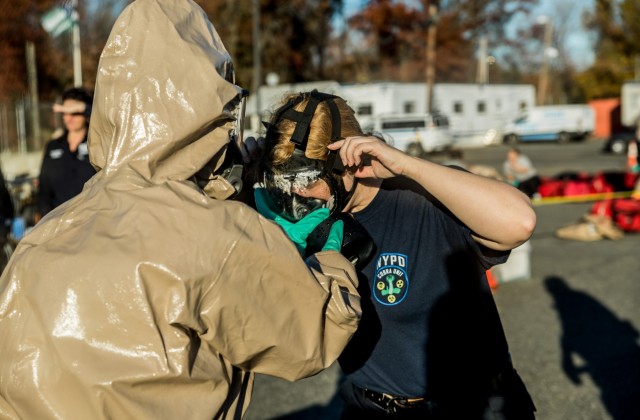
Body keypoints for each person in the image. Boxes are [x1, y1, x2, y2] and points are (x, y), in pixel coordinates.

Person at [0, 1, 361, 419]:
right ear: (210, 108)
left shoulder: (47, 235)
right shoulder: (214, 234)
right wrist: (331, 256)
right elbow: (314, 335)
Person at [254, 90, 538, 419]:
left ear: (346, 161)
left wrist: (408, 166)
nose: (295, 193)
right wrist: (243, 179)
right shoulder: (297, 219)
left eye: (305, 178)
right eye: (281, 181)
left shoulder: (423, 199)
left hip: (471, 405)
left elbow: (520, 221)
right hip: (368, 408)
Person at [36, 86, 96, 222]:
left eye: (74, 113)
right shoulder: (53, 146)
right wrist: (42, 216)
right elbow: (44, 187)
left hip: (90, 220)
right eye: (65, 113)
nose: (69, 118)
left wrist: (86, 108)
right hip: (58, 222)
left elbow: (103, 116)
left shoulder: (96, 144)